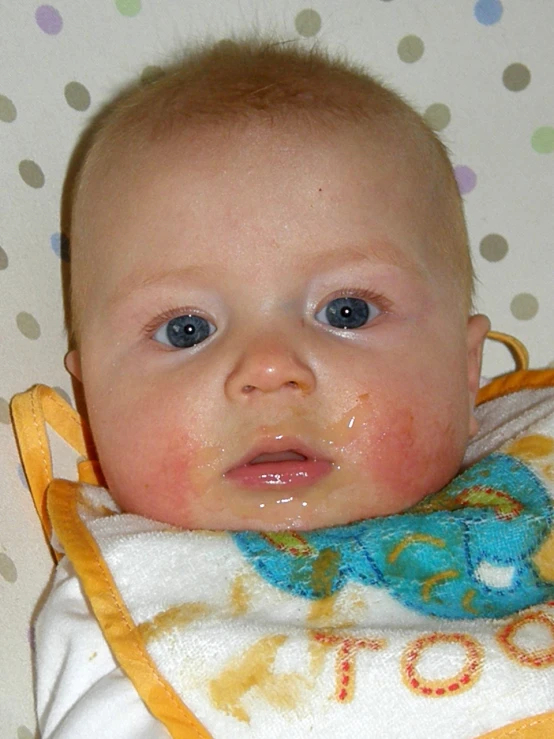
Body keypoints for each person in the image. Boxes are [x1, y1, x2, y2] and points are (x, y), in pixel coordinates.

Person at [12, 36, 554, 738]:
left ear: (466, 367)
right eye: (185, 329)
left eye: (346, 311)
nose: (269, 369)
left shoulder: (524, 493)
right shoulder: (132, 596)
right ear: (92, 403)